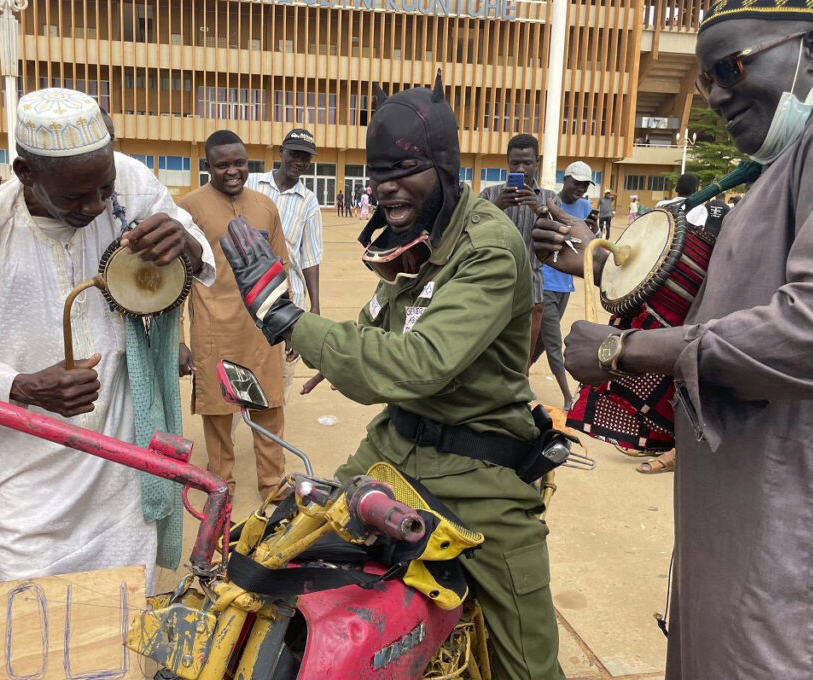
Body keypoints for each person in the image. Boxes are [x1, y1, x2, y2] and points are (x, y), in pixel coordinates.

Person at [534, 0, 813, 679]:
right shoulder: (784, 164)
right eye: (705, 79)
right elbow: (740, 313)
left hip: (792, 563)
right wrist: (605, 266)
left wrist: (629, 350)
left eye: (732, 67)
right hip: (749, 540)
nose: (717, 94)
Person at [223, 76, 565, 680]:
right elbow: (380, 323)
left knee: (528, 664)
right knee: (282, 554)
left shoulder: (488, 246)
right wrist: (337, 355)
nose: (385, 186)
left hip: (478, 473)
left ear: (445, 167)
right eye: (377, 171)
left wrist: (290, 321)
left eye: (403, 169)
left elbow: (419, 363)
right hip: (391, 448)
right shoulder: (411, 235)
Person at [0, 88, 215, 588]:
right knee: (39, 623)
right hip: (22, 480)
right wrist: (22, 387)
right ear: (25, 173)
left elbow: (194, 249)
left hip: (119, 461)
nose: (97, 206)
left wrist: (181, 240)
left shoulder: (131, 183)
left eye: (103, 189)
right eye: (76, 196)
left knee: (123, 612)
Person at [178, 130, 289, 499]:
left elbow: (280, 268)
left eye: (239, 163)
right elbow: (175, 278)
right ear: (207, 165)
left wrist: (289, 326)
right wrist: (178, 341)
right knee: (218, 416)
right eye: (222, 164)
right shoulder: (189, 208)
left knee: (269, 408)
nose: (232, 171)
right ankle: (220, 489)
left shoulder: (265, 207)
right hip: (214, 329)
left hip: (262, 330)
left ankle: (273, 487)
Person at [245, 129, 324, 398]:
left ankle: (270, 437)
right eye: (294, 154)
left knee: (279, 378)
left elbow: (310, 258)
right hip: (245, 296)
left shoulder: (309, 201)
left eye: (305, 157)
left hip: (287, 300)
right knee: (240, 368)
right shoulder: (251, 184)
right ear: (281, 152)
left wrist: (314, 306)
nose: (299, 162)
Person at [480, 133, 559, 370]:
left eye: (527, 163)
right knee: (489, 342)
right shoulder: (489, 196)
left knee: (525, 350)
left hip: (532, 285)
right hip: (493, 282)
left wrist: (540, 210)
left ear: (537, 163)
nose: (521, 169)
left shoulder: (549, 198)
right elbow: (470, 228)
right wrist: (498, 207)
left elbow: (560, 232)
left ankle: (520, 385)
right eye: (515, 163)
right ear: (507, 162)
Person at [532, 161, 593, 408]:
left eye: (585, 184)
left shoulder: (586, 207)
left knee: (543, 341)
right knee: (555, 342)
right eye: (576, 183)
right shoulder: (550, 206)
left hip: (566, 285)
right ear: (565, 180)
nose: (579, 188)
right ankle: (569, 397)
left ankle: (518, 375)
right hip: (546, 282)